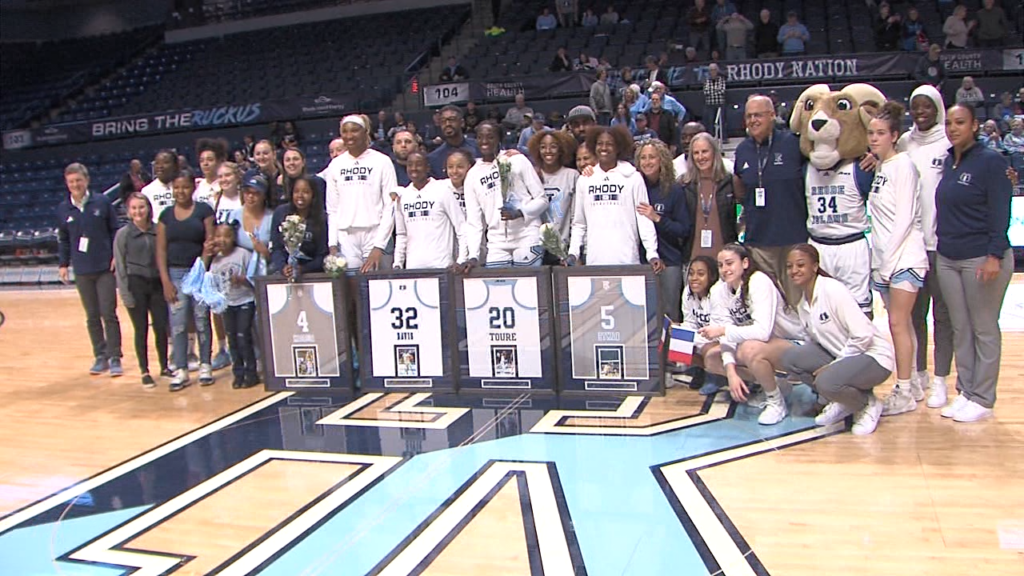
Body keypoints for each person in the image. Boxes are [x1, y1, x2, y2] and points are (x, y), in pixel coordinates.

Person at [934, 103, 1014, 422]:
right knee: (961, 328)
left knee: (983, 328)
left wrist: (994, 254)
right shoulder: (949, 162)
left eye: (960, 122)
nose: (953, 128)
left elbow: (1000, 211)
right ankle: (965, 391)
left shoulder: (991, 161)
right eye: (950, 123)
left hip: (982, 256)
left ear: (975, 126)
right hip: (948, 256)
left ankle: (983, 396)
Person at [781, 244, 893, 435]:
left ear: (815, 266)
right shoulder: (802, 304)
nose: (794, 271)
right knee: (791, 358)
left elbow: (863, 334)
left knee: (826, 381)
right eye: (789, 266)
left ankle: (867, 404)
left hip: (873, 357)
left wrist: (835, 365)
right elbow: (814, 343)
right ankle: (844, 399)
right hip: (844, 356)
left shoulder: (832, 289)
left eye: (800, 265)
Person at [866, 100, 930, 416]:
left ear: (894, 135)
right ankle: (915, 382)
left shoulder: (903, 165)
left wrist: (888, 263)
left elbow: (904, 218)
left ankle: (903, 389)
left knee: (898, 323)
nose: (874, 138)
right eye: (871, 133)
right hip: (885, 259)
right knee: (901, 326)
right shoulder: (881, 167)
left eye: (880, 133)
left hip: (905, 258)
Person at [698, 243, 802, 424]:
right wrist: (731, 373)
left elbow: (762, 332)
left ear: (745, 263)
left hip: (794, 342)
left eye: (730, 263)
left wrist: (723, 330)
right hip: (761, 346)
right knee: (712, 358)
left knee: (749, 348)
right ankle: (775, 384)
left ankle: (775, 402)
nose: (724, 269)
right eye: (721, 265)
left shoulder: (758, 281)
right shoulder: (718, 291)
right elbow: (726, 337)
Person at [897, 85, 955, 408]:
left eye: (927, 107)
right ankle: (917, 373)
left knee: (942, 317)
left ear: (938, 109)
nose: (920, 112)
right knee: (913, 316)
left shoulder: (948, 144)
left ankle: (941, 380)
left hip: (942, 244)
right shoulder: (904, 143)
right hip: (912, 245)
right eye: (915, 107)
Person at [733, 95, 808, 306]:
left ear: (772, 116)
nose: (753, 120)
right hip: (759, 241)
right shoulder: (742, 149)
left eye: (758, 115)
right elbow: (739, 188)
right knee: (766, 305)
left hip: (792, 239)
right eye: (749, 116)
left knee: (797, 303)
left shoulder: (793, 143)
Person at [57, 162, 123, 377]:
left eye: (78, 180)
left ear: (87, 181)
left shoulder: (102, 202)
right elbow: (64, 240)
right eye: (71, 182)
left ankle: (115, 357)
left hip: (104, 267)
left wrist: (115, 255)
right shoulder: (63, 208)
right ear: (67, 184)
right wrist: (63, 264)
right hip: (82, 270)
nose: (75, 184)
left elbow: (115, 230)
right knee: (92, 316)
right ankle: (100, 355)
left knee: (108, 313)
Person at [567, 126, 663, 272]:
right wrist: (573, 253)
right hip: (594, 261)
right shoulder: (585, 180)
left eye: (609, 144)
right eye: (600, 143)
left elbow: (643, 219)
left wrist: (652, 253)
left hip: (627, 259)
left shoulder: (633, 177)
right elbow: (579, 223)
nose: (604, 148)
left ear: (618, 147)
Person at [156, 169, 216, 391]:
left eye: (185, 187)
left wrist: (200, 270)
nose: (181, 191)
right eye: (177, 187)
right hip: (175, 274)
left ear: (193, 188)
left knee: (201, 320)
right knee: (178, 323)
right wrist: (165, 281)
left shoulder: (204, 210)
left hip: (198, 272)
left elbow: (209, 243)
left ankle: (205, 365)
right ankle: (180, 368)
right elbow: (160, 250)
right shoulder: (166, 216)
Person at [462, 121, 548, 268]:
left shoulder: (517, 160)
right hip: (496, 242)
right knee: (498, 288)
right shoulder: (472, 175)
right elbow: (474, 222)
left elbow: (542, 200)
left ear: (499, 139)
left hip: (526, 235)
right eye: (480, 137)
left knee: (529, 287)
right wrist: (473, 256)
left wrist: (520, 212)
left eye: (490, 137)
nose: (484, 141)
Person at [324, 114, 399, 272]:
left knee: (379, 288)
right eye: (345, 131)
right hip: (346, 236)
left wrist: (379, 245)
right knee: (352, 291)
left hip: (376, 232)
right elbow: (332, 209)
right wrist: (332, 244)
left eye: (355, 130)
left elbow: (390, 206)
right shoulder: (335, 165)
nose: (349, 136)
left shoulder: (382, 161)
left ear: (366, 132)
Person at [114, 193, 169, 387]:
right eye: (134, 208)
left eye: (142, 207)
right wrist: (125, 293)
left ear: (148, 208)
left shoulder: (158, 230)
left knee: (161, 326)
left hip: (157, 284)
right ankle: (144, 370)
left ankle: (165, 366)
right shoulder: (123, 234)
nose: (138, 211)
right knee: (141, 329)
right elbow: (120, 266)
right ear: (129, 211)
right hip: (135, 284)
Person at [636, 140, 691, 320]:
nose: (647, 162)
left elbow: (683, 229)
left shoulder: (674, 190)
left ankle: (671, 349)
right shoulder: (634, 187)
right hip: (641, 261)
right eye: (643, 158)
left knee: (670, 313)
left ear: (662, 160)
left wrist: (657, 218)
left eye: (652, 157)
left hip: (669, 262)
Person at [393, 152, 467, 270]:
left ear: (427, 167)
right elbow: (401, 234)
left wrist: (462, 259)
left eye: (418, 165)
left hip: (442, 266)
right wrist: (398, 263)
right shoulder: (402, 196)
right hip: (413, 267)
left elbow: (461, 227)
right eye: (410, 165)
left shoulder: (443, 190)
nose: (414, 169)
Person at [207, 222, 258, 389]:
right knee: (232, 339)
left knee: (244, 336)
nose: (223, 240)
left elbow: (255, 278)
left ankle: (251, 373)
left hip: (245, 301)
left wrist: (244, 280)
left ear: (234, 237)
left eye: (227, 236)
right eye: (219, 236)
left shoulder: (243, 254)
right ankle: (238, 373)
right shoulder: (215, 261)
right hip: (227, 303)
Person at [682, 132, 738, 262]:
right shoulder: (684, 185)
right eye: (696, 153)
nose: (700, 157)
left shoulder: (729, 182)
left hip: (725, 258)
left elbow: (738, 216)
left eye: (704, 151)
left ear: (714, 152)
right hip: (693, 257)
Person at [528, 130, 578, 264]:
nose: (548, 151)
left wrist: (573, 250)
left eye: (553, 146)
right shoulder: (532, 175)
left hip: (562, 247)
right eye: (543, 147)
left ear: (561, 150)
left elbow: (576, 216)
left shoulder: (572, 175)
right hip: (535, 247)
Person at [677, 255, 723, 392]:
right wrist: (680, 332)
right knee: (672, 340)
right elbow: (689, 321)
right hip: (702, 336)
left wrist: (690, 337)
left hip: (720, 338)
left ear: (712, 276)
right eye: (691, 274)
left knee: (707, 348)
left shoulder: (718, 293)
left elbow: (716, 332)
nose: (694, 278)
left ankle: (716, 376)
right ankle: (701, 369)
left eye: (701, 274)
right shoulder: (687, 291)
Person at [270, 176, 328, 277]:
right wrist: (283, 266)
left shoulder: (321, 218)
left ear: (313, 195)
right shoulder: (280, 213)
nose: (300, 195)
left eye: (306, 192)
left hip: (312, 273)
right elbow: (276, 248)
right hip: (283, 272)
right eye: (296, 191)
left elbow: (322, 255)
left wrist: (304, 269)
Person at [228, 171, 273, 279]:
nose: (250, 196)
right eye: (247, 192)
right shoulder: (233, 216)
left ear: (264, 196)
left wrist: (265, 253)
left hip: (265, 272)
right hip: (238, 273)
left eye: (256, 193)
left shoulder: (272, 217)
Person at [429, 105, 481, 178]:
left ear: (462, 122)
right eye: (443, 121)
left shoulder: (479, 147)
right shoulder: (434, 158)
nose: (447, 124)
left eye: (452, 119)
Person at [141, 150, 179, 223]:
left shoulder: (184, 187)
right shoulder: (146, 191)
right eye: (157, 163)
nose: (160, 166)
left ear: (175, 166)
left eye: (165, 162)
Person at [194, 137, 228, 207]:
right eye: (201, 160)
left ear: (220, 161)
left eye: (210, 160)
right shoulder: (196, 186)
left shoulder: (227, 185)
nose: (205, 163)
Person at [251, 139, 285, 208]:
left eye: (265, 153)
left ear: (274, 154)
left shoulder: (285, 177)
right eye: (258, 154)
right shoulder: (250, 177)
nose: (261, 157)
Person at [703, 64, 726, 135]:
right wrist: (716, 90)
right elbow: (706, 92)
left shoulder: (721, 80)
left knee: (722, 121)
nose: (713, 72)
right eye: (711, 70)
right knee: (710, 122)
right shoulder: (706, 80)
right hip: (710, 104)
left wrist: (712, 90)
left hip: (720, 104)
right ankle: (711, 137)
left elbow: (722, 91)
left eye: (714, 70)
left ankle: (724, 137)